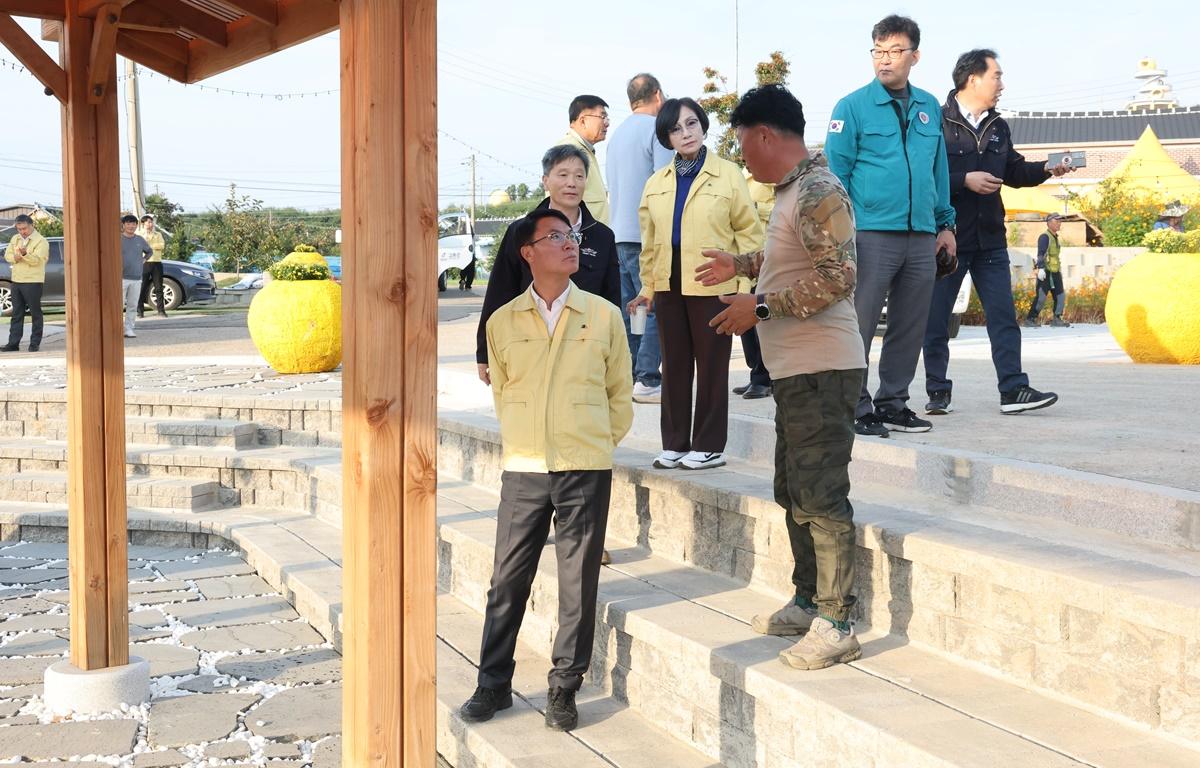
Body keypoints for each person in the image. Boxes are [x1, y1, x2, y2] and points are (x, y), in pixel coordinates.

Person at [698, 84, 865, 669]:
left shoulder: (819, 190)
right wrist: (742, 265)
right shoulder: (793, 191)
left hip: (824, 366)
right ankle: (808, 600)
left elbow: (839, 277)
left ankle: (837, 621)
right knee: (792, 490)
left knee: (821, 495)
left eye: (745, 146)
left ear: (766, 135)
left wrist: (760, 307)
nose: (745, 161)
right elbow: (790, 259)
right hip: (797, 370)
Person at [459, 208, 632, 732]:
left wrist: (594, 441)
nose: (569, 243)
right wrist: (526, 439)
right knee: (507, 580)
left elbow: (619, 394)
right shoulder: (502, 322)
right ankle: (493, 683)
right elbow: (505, 394)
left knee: (577, 583)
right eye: (554, 236)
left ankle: (564, 687)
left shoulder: (603, 315)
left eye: (570, 235)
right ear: (527, 253)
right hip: (525, 467)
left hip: (585, 467)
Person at [825, 14, 957, 439]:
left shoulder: (929, 107)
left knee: (909, 325)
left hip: (920, 236)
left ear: (914, 56)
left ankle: (893, 403)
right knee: (858, 325)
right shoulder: (851, 107)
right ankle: (854, 405)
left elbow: (938, 170)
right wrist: (841, 234)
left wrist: (945, 225)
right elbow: (836, 176)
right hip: (870, 234)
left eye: (895, 51)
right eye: (878, 51)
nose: (885, 59)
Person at [923, 49, 1068, 417]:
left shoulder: (998, 126)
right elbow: (923, 176)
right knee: (937, 320)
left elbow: (1014, 172)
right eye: (997, 76)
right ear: (973, 79)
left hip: (990, 240)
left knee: (1003, 318)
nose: (1002, 84)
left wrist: (1048, 169)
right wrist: (964, 180)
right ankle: (937, 391)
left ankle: (1013, 389)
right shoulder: (934, 122)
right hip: (947, 239)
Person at [628, 97, 763, 471]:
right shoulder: (656, 183)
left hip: (714, 283)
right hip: (668, 285)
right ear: (666, 138)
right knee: (673, 367)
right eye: (675, 129)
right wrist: (647, 289)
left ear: (703, 126)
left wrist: (744, 287)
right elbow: (650, 243)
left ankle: (709, 445)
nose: (685, 133)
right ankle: (674, 443)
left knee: (712, 367)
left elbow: (750, 234)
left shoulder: (729, 175)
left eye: (691, 124)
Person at [476, 144, 621, 384]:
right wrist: (484, 353)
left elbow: (612, 298)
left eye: (579, 176)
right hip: (529, 345)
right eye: (562, 175)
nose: (571, 183)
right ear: (545, 181)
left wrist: (616, 354)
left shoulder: (602, 236)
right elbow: (500, 291)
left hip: (585, 349)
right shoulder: (521, 232)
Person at [607, 73, 675, 403]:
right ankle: (648, 378)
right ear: (658, 95)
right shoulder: (656, 130)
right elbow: (665, 185)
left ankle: (634, 375)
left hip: (618, 234)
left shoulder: (617, 134)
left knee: (631, 310)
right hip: (646, 234)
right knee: (653, 307)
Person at [734, 173, 777, 400]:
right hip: (744, 258)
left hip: (767, 257)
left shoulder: (771, 176)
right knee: (746, 328)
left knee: (762, 322)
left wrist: (756, 208)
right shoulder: (741, 177)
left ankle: (764, 379)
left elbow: (784, 212)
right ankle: (755, 373)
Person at [557, 95, 611, 225]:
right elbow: (559, 203)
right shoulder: (570, 150)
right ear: (583, 121)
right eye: (602, 117)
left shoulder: (585, 150)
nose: (607, 123)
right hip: (579, 235)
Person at [2, 214, 48, 353]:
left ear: (31, 225)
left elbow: (37, 261)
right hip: (16, 280)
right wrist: (16, 257)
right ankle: (13, 344)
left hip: (33, 281)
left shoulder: (41, 241)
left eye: (24, 228)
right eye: (19, 229)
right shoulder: (15, 239)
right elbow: (7, 255)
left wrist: (24, 254)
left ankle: (34, 344)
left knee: (35, 313)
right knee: (17, 313)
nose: (22, 232)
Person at [1025, 212, 1071, 329]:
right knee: (1041, 298)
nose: (1059, 223)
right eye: (1057, 221)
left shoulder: (1055, 237)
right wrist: (1040, 268)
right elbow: (1041, 254)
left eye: (1060, 221)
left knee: (1060, 296)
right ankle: (1030, 319)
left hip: (1055, 272)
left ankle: (1057, 319)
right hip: (1045, 272)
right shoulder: (1044, 237)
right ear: (1049, 223)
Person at [121, 214, 153, 339]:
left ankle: (129, 328)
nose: (131, 226)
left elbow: (149, 251)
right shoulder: (118, 239)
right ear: (123, 225)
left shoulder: (140, 239)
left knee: (132, 305)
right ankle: (116, 328)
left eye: (133, 224)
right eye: (128, 224)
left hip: (136, 278)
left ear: (136, 225)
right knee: (118, 305)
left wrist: (143, 260)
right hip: (121, 278)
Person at [137, 214, 168, 318]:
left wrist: (149, 246)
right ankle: (140, 311)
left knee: (159, 287)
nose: (151, 224)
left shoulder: (158, 234)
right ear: (143, 224)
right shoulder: (139, 234)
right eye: (148, 222)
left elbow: (162, 245)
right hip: (144, 262)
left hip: (156, 262)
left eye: (151, 222)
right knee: (142, 287)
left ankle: (161, 310)